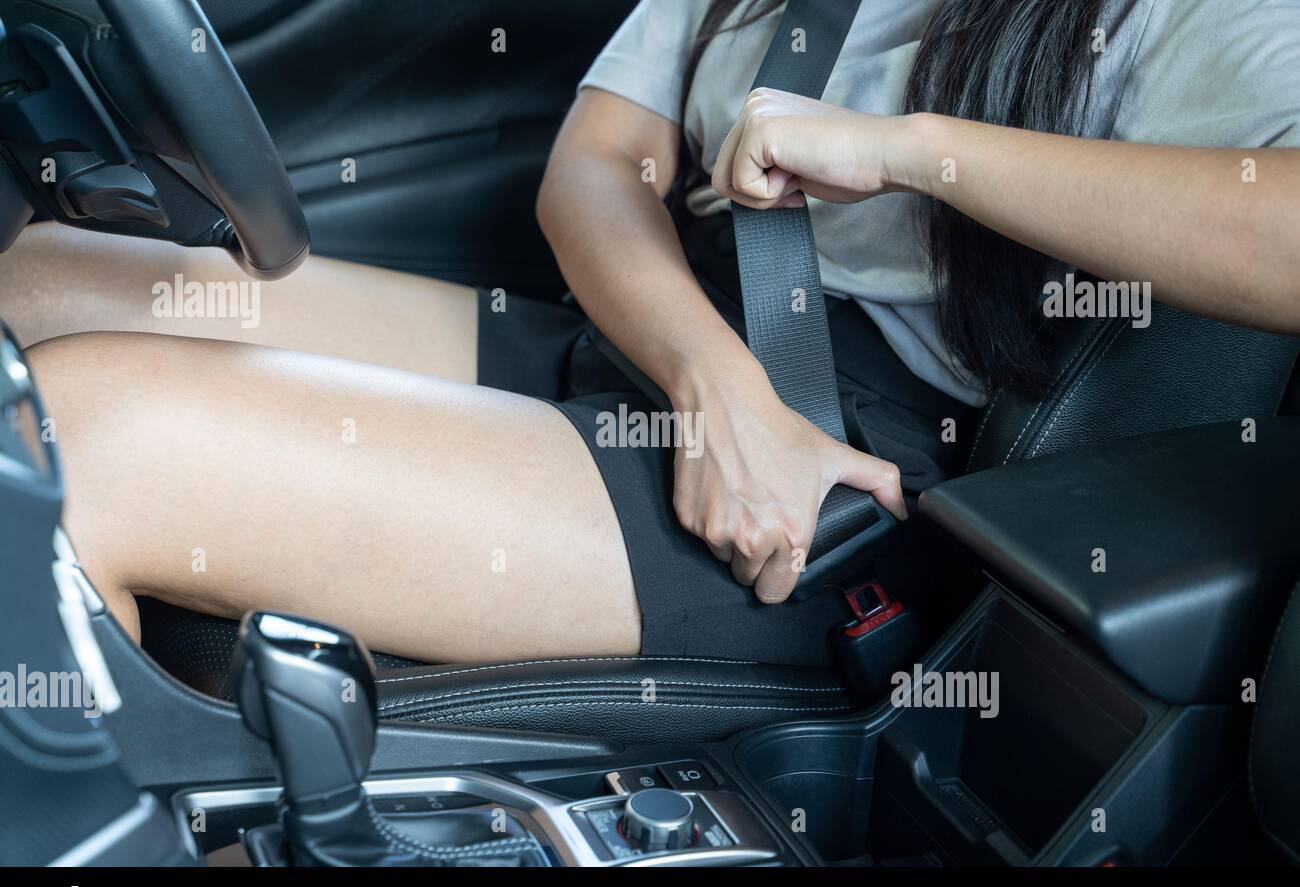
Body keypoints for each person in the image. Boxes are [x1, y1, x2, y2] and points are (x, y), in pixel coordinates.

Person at [9, 0, 1299, 666]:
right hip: (665, 344)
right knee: (39, 279)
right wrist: (711, 386)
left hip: (851, 469)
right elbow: (599, 165)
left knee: (86, 447)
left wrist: (919, 153)